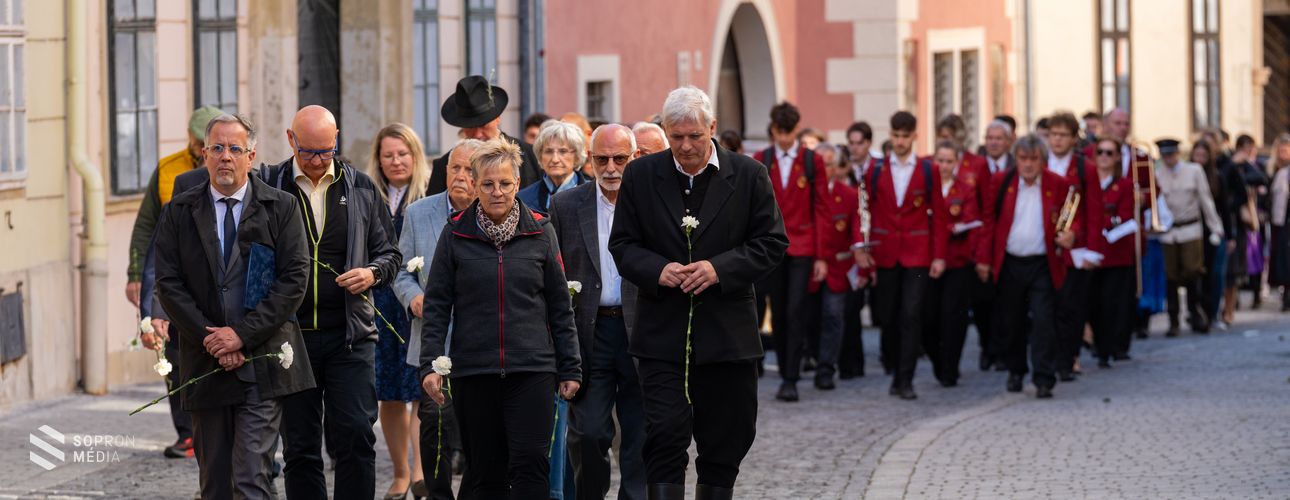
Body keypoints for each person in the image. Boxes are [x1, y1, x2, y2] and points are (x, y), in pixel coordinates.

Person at [608, 86, 788, 499]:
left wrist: (718, 269)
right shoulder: (641, 175)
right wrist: (660, 270)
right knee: (665, 432)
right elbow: (624, 245)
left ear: (712, 127)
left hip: (727, 335)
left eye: (694, 136)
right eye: (676, 137)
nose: (685, 146)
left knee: (728, 433)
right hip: (662, 334)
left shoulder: (748, 175)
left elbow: (771, 244)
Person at [154, 113, 315, 499]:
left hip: (262, 363)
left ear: (251, 155)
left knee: (251, 479)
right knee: (214, 484)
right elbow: (169, 283)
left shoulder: (282, 207)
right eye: (217, 148)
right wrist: (213, 339)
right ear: (205, 155)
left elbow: (294, 280)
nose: (226, 156)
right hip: (204, 362)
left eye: (235, 149)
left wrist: (240, 336)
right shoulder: (180, 211)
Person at [419, 138, 583, 500]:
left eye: (506, 183)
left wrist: (570, 366)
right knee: (486, 471)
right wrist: (430, 365)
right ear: (475, 185)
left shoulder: (541, 230)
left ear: (517, 183)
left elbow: (559, 306)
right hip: (475, 372)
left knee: (530, 464)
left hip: (532, 370)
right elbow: (437, 305)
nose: (497, 192)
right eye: (488, 184)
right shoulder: (456, 233)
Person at [269, 105, 403, 500]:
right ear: (291, 140)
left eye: (326, 151)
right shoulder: (269, 184)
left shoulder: (360, 187)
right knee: (300, 447)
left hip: (351, 336)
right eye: (308, 151)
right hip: (290, 340)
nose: (316, 160)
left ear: (337, 139)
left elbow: (390, 254)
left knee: (356, 437)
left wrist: (371, 274)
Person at [549, 124, 647, 500]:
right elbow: (553, 275)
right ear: (588, 160)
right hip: (589, 335)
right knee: (588, 434)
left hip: (641, 331)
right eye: (601, 158)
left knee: (640, 435)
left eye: (619, 158)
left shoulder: (650, 203)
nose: (610, 167)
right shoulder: (566, 204)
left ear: (634, 159)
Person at [132, 104, 223, 459]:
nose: (213, 151)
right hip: (175, 280)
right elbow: (147, 230)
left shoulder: (243, 173)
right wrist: (134, 275)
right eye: (205, 143)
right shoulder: (170, 171)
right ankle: (187, 432)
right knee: (173, 357)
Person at [397, 138, 485, 500]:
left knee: (480, 433)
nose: (461, 177)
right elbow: (401, 272)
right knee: (434, 427)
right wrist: (413, 296)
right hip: (434, 343)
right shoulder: (419, 213)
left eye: (469, 170)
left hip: (481, 343)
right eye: (455, 168)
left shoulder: (494, 211)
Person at [854, 111, 948, 400]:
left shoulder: (928, 170)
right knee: (888, 316)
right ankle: (895, 370)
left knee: (911, 314)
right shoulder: (877, 170)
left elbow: (940, 216)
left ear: (914, 137)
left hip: (918, 253)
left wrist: (939, 256)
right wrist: (862, 245)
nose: (899, 141)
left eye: (904, 136)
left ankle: (905, 378)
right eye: (895, 136)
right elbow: (863, 209)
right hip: (886, 252)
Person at [366, 123, 432, 500]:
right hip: (380, 304)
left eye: (402, 154)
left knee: (420, 390)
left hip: (417, 301)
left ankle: (421, 473)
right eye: (388, 154)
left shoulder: (427, 195)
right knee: (389, 393)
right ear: (379, 159)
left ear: (414, 156)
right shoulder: (369, 195)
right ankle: (401, 473)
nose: (395, 161)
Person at [986, 134, 1074, 399]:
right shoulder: (1002, 182)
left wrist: (1072, 234)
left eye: (1033, 159)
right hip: (1011, 262)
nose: (1027, 165)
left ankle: (1044, 377)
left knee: (1043, 320)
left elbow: (1071, 218)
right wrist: (984, 260)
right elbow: (989, 221)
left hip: (1042, 263)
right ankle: (1016, 370)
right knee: (1012, 322)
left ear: (1042, 161)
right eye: (1023, 159)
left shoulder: (1056, 184)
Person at [752, 101, 827, 402]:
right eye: (778, 132)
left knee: (796, 310)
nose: (783, 138)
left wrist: (821, 255)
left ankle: (791, 377)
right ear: (773, 130)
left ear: (797, 130)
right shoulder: (762, 159)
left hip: (803, 246)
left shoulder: (812, 161)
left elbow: (821, 208)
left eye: (788, 132)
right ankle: (785, 369)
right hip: (772, 248)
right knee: (779, 313)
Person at [936, 114, 999, 371]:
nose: (948, 141)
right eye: (943, 137)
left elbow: (985, 211)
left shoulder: (977, 164)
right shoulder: (934, 163)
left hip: (970, 248)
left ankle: (988, 346)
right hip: (942, 252)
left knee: (978, 305)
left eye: (952, 137)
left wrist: (982, 252)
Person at [1046, 111, 1104, 380]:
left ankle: (1068, 359)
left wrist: (1087, 244)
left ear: (1072, 138)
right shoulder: (1039, 162)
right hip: (1045, 247)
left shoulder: (1085, 168)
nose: (1057, 140)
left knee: (1072, 307)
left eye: (1062, 135)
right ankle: (1050, 357)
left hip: (1074, 248)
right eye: (1053, 134)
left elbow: (1093, 210)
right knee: (1048, 307)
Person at [922, 140, 984, 387]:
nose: (944, 166)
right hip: (928, 261)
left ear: (956, 163)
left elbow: (972, 220)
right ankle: (937, 360)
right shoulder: (925, 188)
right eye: (940, 160)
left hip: (957, 261)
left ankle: (950, 367)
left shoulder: (964, 189)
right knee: (928, 317)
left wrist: (946, 229)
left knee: (953, 316)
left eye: (949, 161)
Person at [1156, 138, 1224, 336]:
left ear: (1178, 153)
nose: (1168, 158)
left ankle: (1195, 313)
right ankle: (1173, 319)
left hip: (1190, 228)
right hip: (1169, 231)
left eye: (1171, 154)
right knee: (1171, 275)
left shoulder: (1193, 171)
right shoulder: (1158, 174)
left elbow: (1205, 200)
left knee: (1193, 271)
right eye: (1165, 155)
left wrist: (1215, 227)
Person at [428, 75, 542, 194]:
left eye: (484, 125)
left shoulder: (530, 156)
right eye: (470, 127)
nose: (478, 134)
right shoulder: (443, 166)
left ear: (498, 118)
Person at [805, 143, 859, 390]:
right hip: (810, 268)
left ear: (837, 168)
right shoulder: (806, 193)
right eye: (821, 164)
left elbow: (856, 231)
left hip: (837, 267)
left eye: (828, 164)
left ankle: (826, 368)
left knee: (833, 316)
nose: (824, 169)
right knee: (810, 317)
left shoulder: (848, 195)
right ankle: (815, 357)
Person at [1089, 137, 1139, 367]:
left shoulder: (1125, 185)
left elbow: (1125, 215)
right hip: (1091, 252)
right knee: (1093, 303)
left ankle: (1108, 349)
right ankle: (1097, 344)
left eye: (1109, 153)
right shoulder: (1086, 182)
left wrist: (1107, 222)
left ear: (1118, 157)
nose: (1104, 157)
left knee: (1112, 303)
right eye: (1100, 152)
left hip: (1116, 253)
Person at [839, 121, 875, 379]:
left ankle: (857, 361)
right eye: (851, 143)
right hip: (846, 250)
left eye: (859, 142)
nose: (854, 148)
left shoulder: (876, 170)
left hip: (868, 244)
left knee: (860, 306)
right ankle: (849, 362)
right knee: (847, 308)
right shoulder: (846, 177)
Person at [518, 121, 591, 213]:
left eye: (563, 151)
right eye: (548, 151)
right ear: (540, 156)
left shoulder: (593, 195)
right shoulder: (523, 199)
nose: (555, 159)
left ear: (577, 156)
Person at [1264, 134, 1290, 310]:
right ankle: (1285, 294)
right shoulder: (1273, 170)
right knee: (1282, 259)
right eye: (1280, 150)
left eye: (1286, 150)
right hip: (1279, 221)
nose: (1283, 154)